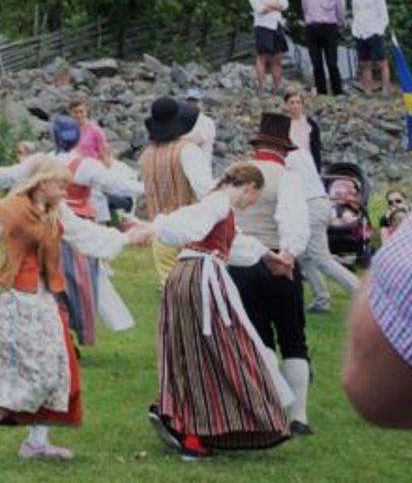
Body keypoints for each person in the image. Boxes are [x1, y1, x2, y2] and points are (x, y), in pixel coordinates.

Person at [0, 157, 153, 464]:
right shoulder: (12, 209)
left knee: (58, 369)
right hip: (20, 298)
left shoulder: (56, 211)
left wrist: (124, 238)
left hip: (45, 298)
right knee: (35, 371)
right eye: (60, 184)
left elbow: (85, 234)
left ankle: (36, 442)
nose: (66, 189)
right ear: (42, 183)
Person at [145, 163, 293, 459]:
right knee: (219, 350)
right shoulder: (217, 204)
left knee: (194, 351)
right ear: (250, 187)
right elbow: (189, 225)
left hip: (189, 277)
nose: (253, 204)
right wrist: (158, 226)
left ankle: (184, 421)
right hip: (201, 279)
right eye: (255, 197)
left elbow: (235, 243)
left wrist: (269, 257)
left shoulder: (221, 210)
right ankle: (193, 430)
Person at [0, 117, 142, 348]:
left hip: (48, 226)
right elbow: (116, 184)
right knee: (79, 284)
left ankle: (60, 330)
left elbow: (8, 174)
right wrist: (148, 187)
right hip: (74, 226)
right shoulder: (83, 164)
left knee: (51, 281)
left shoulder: (44, 161)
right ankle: (68, 331)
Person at [227, 111, 315, 436]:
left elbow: (222, 217)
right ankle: (299, 416)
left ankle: (266, 409)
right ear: (284, 149)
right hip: (278, 260)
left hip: (239, 265)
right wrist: (288, 254)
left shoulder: (235, 174)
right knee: (292, 338)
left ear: (258, 144)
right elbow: (294, 219)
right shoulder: (287, 177)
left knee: (256, 337)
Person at [343, 181, 412, 428]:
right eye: (392, 202)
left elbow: (374, 389)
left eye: (398, 201)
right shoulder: (387, 221)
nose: (395, 205)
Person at [279, 92, 358, 315]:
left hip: (312, 206)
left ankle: (361, 293)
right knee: (305, 257)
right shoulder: (303, 156)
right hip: (317, 204)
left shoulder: (289, 160)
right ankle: (321, 299)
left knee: (321, 258)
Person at [137, 96, 216, 285]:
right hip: (189, 233)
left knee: (171, 294)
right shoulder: (188, 151)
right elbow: (205, 190)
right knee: (196, 295)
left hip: (161, 234)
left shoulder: (146, 155)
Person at [300, 0, 347, 97]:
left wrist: (333, 24)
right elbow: (305, 9)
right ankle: (321, 92)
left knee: (332, 61)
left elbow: (341, 14)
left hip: (329, 28)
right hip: (312, 28)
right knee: (316, 61)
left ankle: (337, 91)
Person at [248, 0, 290, 94]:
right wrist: (275, 6)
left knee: (277, 58)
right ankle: (261, 87)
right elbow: (259, 9)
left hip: (276, 24)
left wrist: (269, 6)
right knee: (262, 57)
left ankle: (277, 88)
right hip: (262, 26)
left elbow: (285, 5)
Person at [349, 0, 390, 96]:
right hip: (360, 33)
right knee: (364, 63)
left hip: (374, 32)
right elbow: (356, 15)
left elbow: (383, 15)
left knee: (381, 62)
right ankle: (368, 90)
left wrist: (379, 30)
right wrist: (355, 30)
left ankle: (385, 90)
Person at [65, 96, 107, 160]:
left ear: (86, 112)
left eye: (81, 111)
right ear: (70, 113)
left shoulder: (96, 131)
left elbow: (104, 154)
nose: (78, 115)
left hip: (91, 166)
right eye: (75, 112)